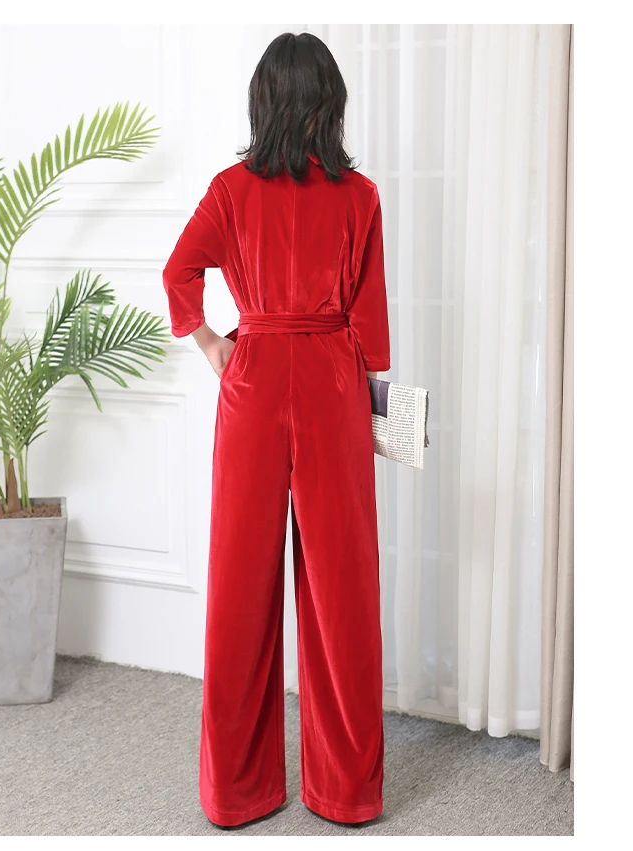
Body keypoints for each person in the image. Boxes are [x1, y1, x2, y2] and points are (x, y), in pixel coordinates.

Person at [163, 31, 390, 828]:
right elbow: (372, 330)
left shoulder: (231, 190)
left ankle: (236, 791)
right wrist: (372, 404)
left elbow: (178, 271)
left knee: (240, 583)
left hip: (253, 381)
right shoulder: (360, 197)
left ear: (262, 102)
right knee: (342, 587)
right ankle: (347, 791)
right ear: (330, 103)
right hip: (332, 380)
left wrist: (215, 346)